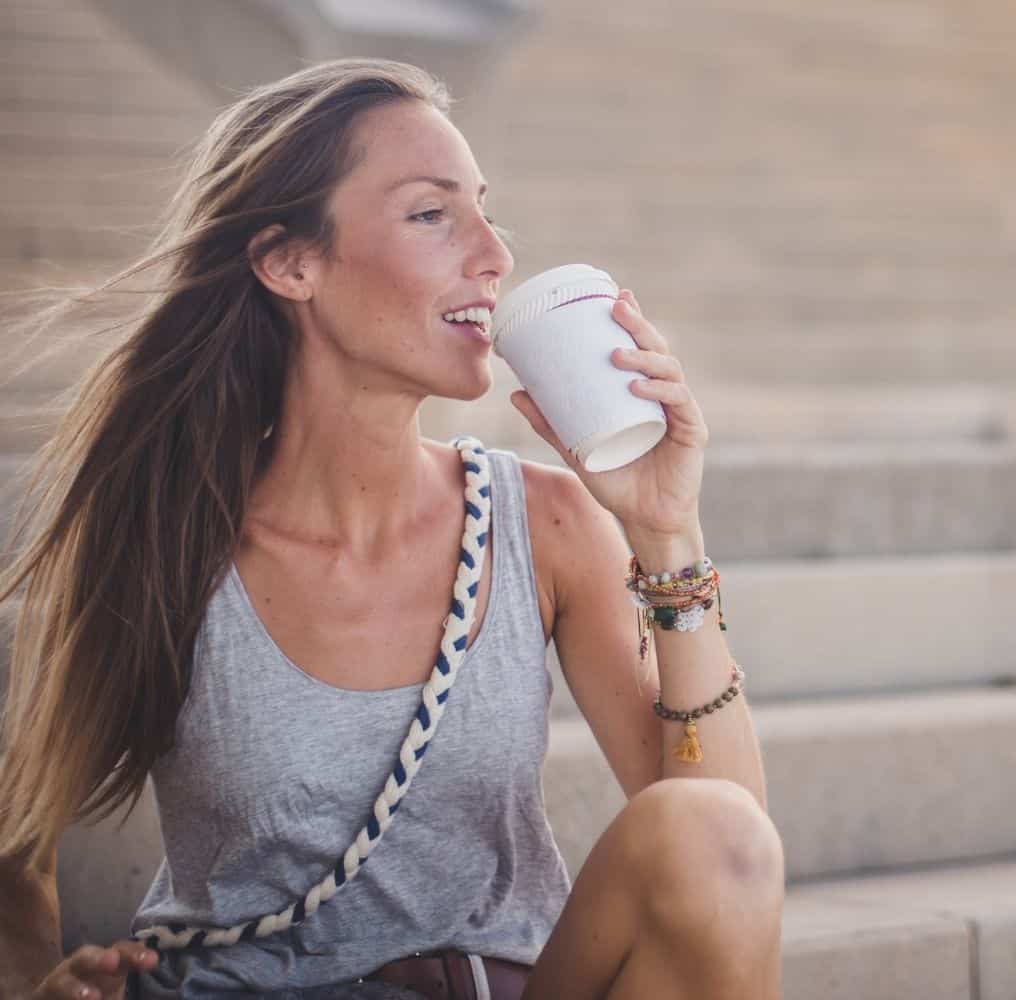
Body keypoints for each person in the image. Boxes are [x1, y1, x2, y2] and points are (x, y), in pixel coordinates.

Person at [0, 58, 784, 999]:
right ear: (291, 262)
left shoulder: (546, 523)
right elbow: (17, 839)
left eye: (486, 210)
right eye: (431, 214)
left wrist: (667, 535)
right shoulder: (167, 536)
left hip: (503, 983)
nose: (493, 253)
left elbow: (729, 842)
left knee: (712, 836)